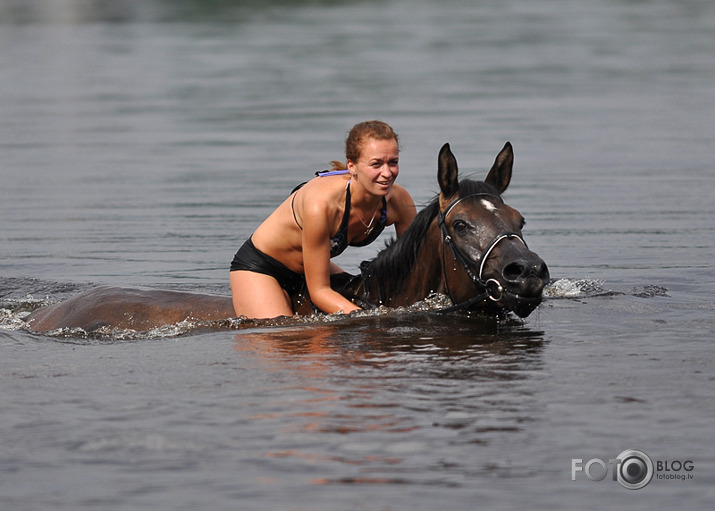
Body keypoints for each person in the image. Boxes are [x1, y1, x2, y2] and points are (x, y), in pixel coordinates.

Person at [230, 120, 416, 318]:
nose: (387, 173)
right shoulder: (322, 206)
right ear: (352, 166)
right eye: (376, 164)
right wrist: (371, 319)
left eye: (393, 162)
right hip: (263, 268)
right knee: (284, 335)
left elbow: (413, 267)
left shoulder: (399, 201)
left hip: (311, 269)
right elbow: (319, 292)